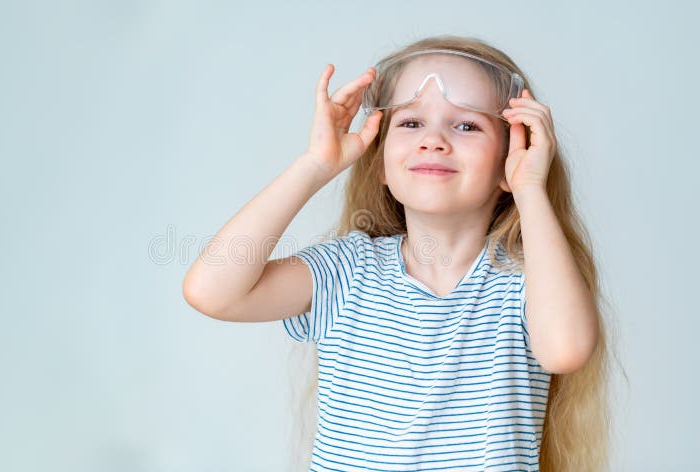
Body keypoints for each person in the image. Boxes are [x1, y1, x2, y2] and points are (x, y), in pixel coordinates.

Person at [183, 35, 612, 471]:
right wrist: (314, 165)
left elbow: (566, 350)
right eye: (411, 124)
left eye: (467, 125)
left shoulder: (529, 281)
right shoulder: (346, 272)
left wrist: (530, 189)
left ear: (511, 157)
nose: (434, 140)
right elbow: (213, 291)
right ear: (382, 162)